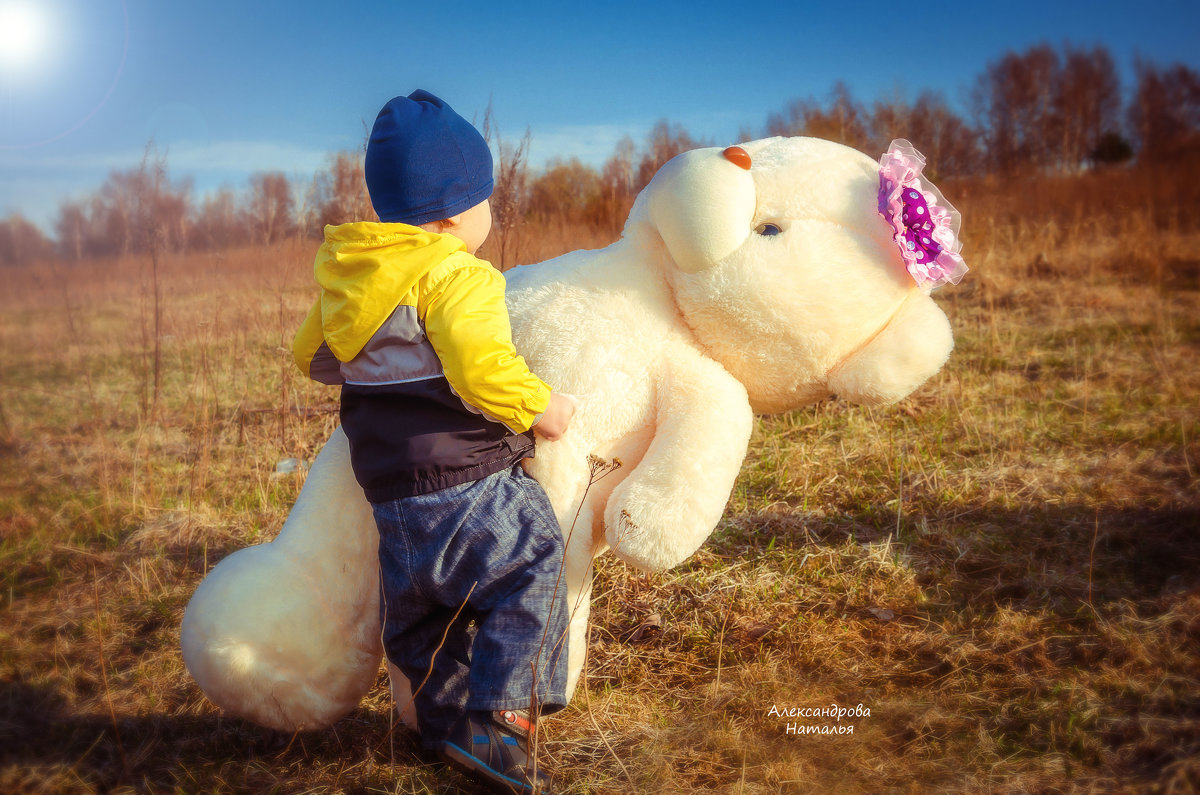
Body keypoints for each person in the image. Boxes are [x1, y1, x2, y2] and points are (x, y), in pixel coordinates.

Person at [293, 89, 573, 794]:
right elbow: (482, 372)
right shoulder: (456, 274)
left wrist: (373, 358)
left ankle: (441, 728)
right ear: (454, 212)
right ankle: (501, 724)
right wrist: (543, 408)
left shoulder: (350, 275)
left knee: (423, 621)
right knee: (531, 557)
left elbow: (312, 357)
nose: (491, 212)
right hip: (466, 482)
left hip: (392, 499)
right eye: (487, 198)